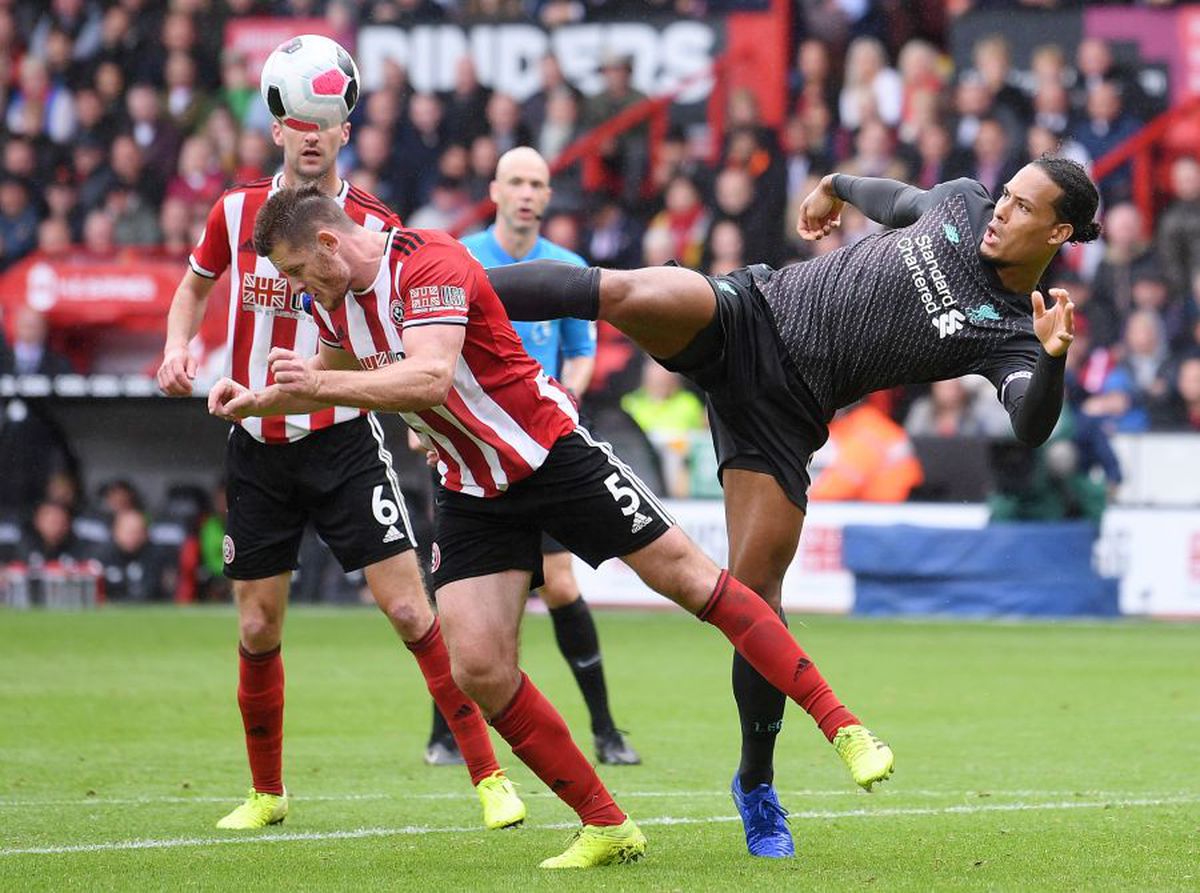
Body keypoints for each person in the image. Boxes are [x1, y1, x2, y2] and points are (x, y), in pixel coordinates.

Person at [210, 186, 894, 868]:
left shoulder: (426, 260)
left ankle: (843, 725)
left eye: (299, 271)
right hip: (471, 488)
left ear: (330, 241)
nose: (298, 289)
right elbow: (334, 368)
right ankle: (606, 823)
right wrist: (267, 398)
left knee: (689, 580)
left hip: (547, 453)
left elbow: (429, 379)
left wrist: (317, 387)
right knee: (477, 664)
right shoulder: (331, 305)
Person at [483, 156, 1095, 857]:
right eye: (1006, 195)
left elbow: (1030, 421)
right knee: (621, 291)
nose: (1002, 211)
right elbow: (889, 195)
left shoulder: (1016, 330)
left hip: (785, 415)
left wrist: (1052, 360)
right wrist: (834, 186)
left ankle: (755, 782)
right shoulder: (958, 203)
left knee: (755, 601)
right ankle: (442, 291)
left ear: (1059, 230)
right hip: (751, 313)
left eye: (1022, 207)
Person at [155, 111, 524, 831]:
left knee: (413, 611)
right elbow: (194, 286)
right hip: (256, 442)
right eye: (299, 124)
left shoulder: (368, 224)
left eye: (326, 124)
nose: (312, 137)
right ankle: (267, 792)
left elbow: (402, 332)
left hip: (343, 439)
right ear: (277, 131)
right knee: (258, 624)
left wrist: (420, 419)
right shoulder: (234, 211)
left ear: (345, 133)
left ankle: (489, 776)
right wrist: (178, 347)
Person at [456, 146, 641, 767]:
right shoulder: (461, 259)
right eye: (517, 182)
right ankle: (449, 737)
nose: (528, 193)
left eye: (538, 183)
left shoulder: (568, 267)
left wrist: (569, 390)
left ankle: (607, 729)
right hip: (474, 449)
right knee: (470, 599)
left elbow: (581, 350)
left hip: (540, 444)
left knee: (560, 584)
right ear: (496, 190)